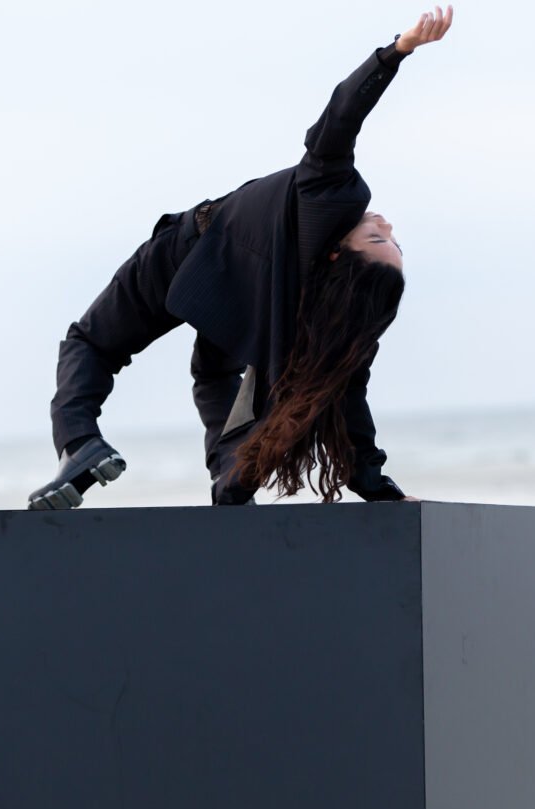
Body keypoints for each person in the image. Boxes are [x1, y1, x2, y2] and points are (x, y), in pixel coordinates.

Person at [29, 6, 455, 510]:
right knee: (215, 376)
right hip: (238, 303)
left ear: (342, 254)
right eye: (392, 241)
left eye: (382, 241)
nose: (387, 226)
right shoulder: (323, 319)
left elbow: (338, 120)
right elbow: (350, 398)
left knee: (93, 342)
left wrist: (393, 53)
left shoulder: (331, 198)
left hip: (189, 251)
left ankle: (80, 444)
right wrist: (377, 490)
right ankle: (230, 485)